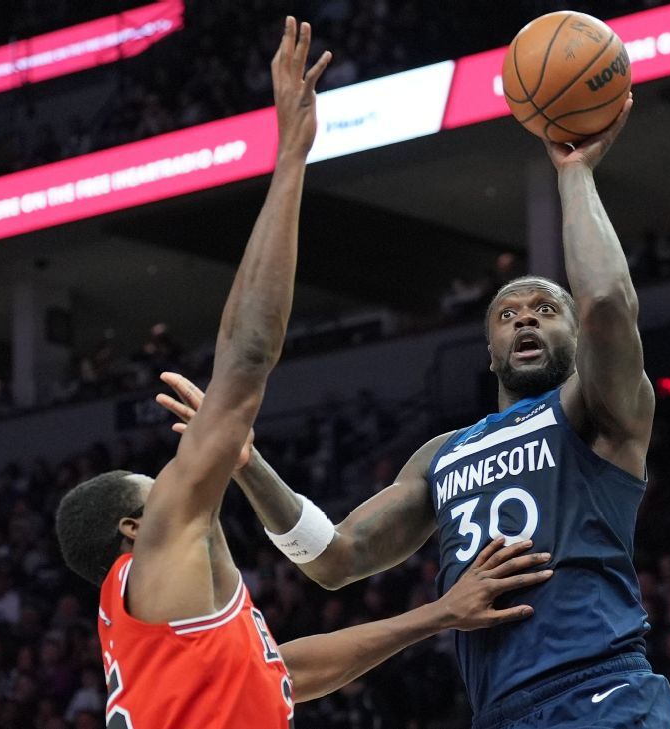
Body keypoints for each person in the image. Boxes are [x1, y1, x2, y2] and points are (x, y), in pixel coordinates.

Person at [53, 21, 551, 729]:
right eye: (156, 486)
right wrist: (290, 155)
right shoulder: (163, 544)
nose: (178, 477)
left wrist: (438, 614)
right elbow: (247, 356)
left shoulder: (159, 624)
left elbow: (285, 671)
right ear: (136, 526)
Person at [159, 93, 670, 728]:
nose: (525, 320)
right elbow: (334, 557)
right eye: (508, 314)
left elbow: (605, 304)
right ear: (489, 350)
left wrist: (574, 174)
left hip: (600, 689)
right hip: (501, 712)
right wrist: (247, 463)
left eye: (546, 311)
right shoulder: (442, 454)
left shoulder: (595, 410)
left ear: (576, 339)